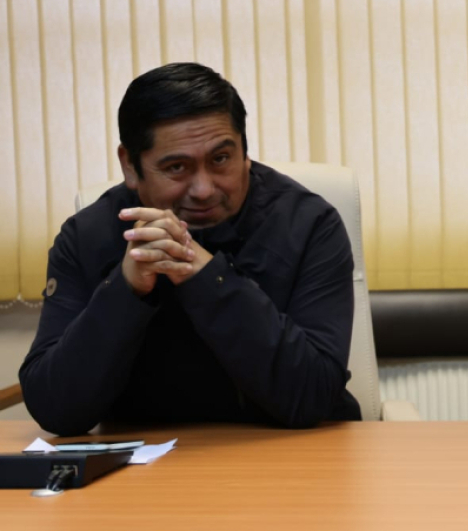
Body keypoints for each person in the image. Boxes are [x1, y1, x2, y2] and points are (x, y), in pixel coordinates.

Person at [20, 63, 361, 435]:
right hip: (149, 459)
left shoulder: (308, 224)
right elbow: (56, 410)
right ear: (130, 166)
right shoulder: (87, 237)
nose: (203, 189)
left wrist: (207, 278)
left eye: (220, 159)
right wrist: (125, 288)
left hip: (294, 450)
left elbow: (312, 396)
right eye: (177, 167)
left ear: (245, 152)